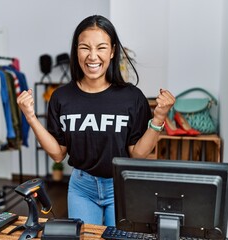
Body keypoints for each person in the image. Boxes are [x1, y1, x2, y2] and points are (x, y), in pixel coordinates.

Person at [17, 15, 175, 226]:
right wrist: (30, 117)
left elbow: (137, 153)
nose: (92, 56)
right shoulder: (61, 97)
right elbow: (57, 154)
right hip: (82, 188)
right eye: (85, 47)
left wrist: (159, 118)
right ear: (76, 50)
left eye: (101, 47)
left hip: (120, 186)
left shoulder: (132, 97)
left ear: (112, 51)